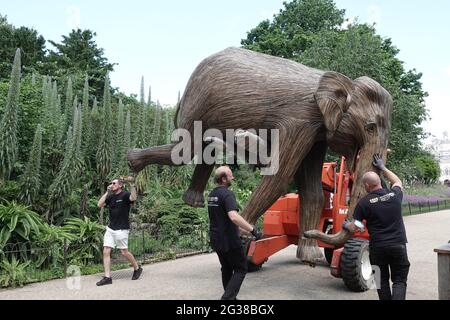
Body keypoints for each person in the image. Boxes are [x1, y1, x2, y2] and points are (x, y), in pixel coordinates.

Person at [345, 154, 410, 300]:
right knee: (400, 281)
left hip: (377, 248)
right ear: (380, 181)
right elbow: (397, 181)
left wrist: (347, 225)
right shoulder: (394, 195)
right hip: (398, 246)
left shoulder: (363, 203)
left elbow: (356, 226)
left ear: (367, 185)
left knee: (381, 281)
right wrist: (382, 167)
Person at [207, 166, 262, 300]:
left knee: (226, 268)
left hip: (216, 239)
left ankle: (231, 297)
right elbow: (233, 216)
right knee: (240, 269)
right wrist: (253, 230)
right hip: (229, 240)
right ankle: (227, 298)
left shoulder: (212, 195)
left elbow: (221, 218)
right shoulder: (227, 194)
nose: (233, 177)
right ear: (224, 179)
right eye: (230, 175)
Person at [96, 178, 142, 286]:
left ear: (120, 185)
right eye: (111, 183)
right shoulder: (111, 197)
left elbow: (133, 197)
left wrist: (132, 185)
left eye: (114, 183)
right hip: (111, 229)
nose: (112, 185)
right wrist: (107, 192)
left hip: (122, 229)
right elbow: (99, 204)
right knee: (106, 250)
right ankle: (108, 277)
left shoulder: (125, 195)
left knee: (124, 252)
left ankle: (137, 268)